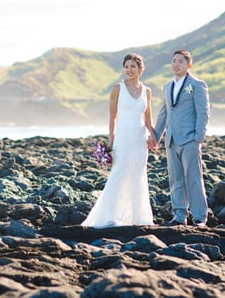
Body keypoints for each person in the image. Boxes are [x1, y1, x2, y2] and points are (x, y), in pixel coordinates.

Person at [82, 53, 156, 228]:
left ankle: (139, 217)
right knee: (119, 174)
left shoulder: (147, 91)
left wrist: (153, 137)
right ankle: (111, 216)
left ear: (140, 69)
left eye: (133, 66)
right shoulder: (118, 88)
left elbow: (147, 119)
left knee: (137, 176)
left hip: (139, 141)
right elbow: (112, 117)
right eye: (126, 66)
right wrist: (111, 141)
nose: (129, 70)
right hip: (122, 139)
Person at [152, 50, 209, 228]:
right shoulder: (167, 86)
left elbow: (203, 113)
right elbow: (163, 114)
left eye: (180, 62)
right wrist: (155, 137)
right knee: (175, 179)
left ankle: (200, 218)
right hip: (171, 140)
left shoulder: (197, 84)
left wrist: (198, 138)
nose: (176, 64)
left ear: (188, 65)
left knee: (193, 178)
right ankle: (179, 215)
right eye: (174, 61)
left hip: (190, 139)